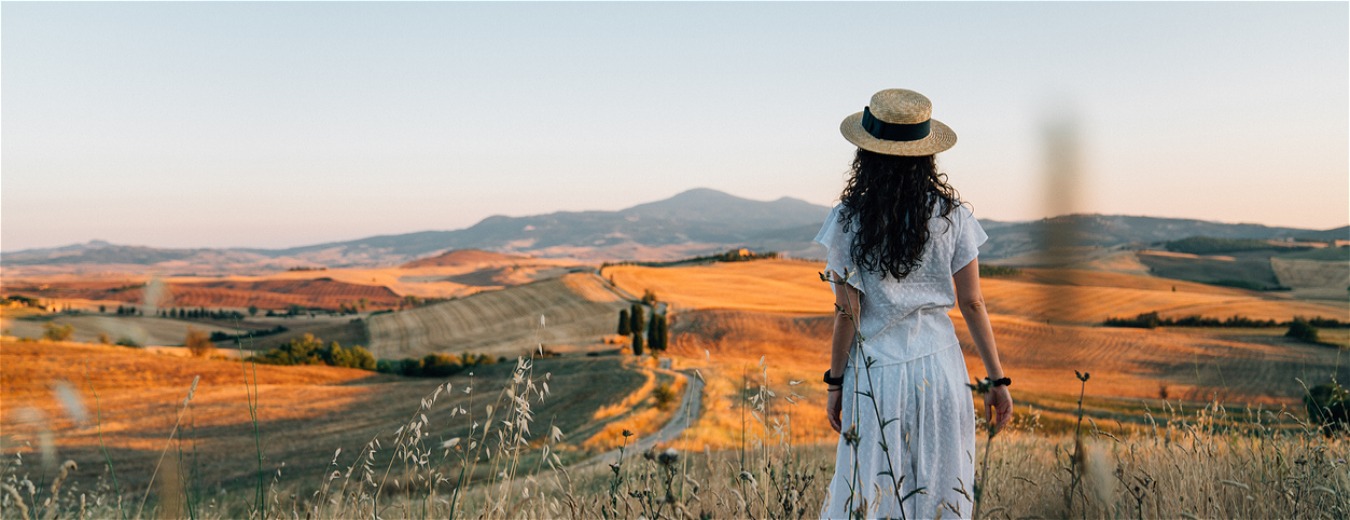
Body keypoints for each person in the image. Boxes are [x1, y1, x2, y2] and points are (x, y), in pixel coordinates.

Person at [817, 88, 1013, 519]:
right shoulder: (953, 216)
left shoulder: (848, 219)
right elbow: (973, 303)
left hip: (876, 376)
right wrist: (997, 380)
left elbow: (848, 312)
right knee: (941, 493)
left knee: (868, 494)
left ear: (867, 153)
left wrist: (835, 382)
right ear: (927, 154)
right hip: (941, 372)